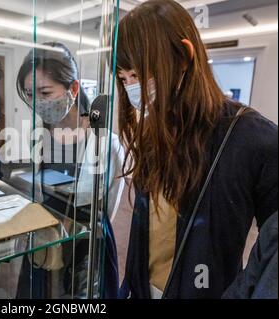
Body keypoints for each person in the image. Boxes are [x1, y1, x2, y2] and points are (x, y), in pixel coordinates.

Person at [117, 0, 278, 299]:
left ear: (184, 58)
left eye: (139, 75)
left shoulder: (253, 138)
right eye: (124, 78)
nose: (131, 89)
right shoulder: (155, 131)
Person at [12, 42, 125, 298]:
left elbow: (108, 208)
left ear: (73, 88)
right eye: (29, 94)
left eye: (45, 92)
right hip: (44, 245)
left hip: (84, 252)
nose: (36, 102)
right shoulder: (40, 137)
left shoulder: (104, 143)